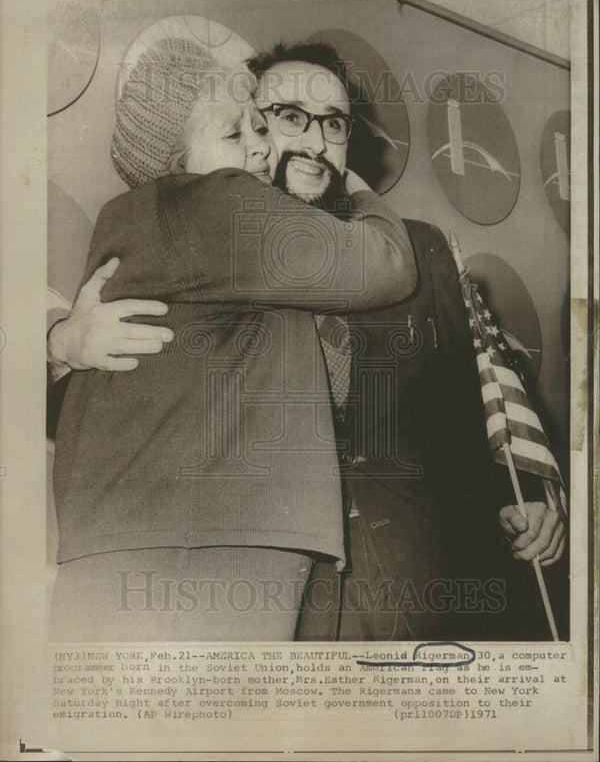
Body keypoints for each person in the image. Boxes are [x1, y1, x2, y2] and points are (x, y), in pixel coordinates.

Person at [49, 39, 566, 641]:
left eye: (334, 123)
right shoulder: (195, 219)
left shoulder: (421, 247)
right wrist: (59, 344)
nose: (317, 142)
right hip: (266, 596)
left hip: (421, 595)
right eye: (290, 117)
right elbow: (102, 409)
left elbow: (470, 407)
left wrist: (530, 499)